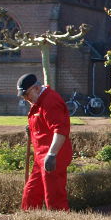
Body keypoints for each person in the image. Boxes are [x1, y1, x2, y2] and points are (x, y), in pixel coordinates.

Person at [18, 73, 72, 210]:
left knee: (54, 197)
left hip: (54, 156)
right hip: (41, 157)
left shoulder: (50, 101)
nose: (25, 98)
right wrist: (31, 129)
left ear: (36, 88)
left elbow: (60, 131)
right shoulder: (37, 101)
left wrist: (52, 155)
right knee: (31, 193)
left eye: (26, 94)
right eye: (23, 96)